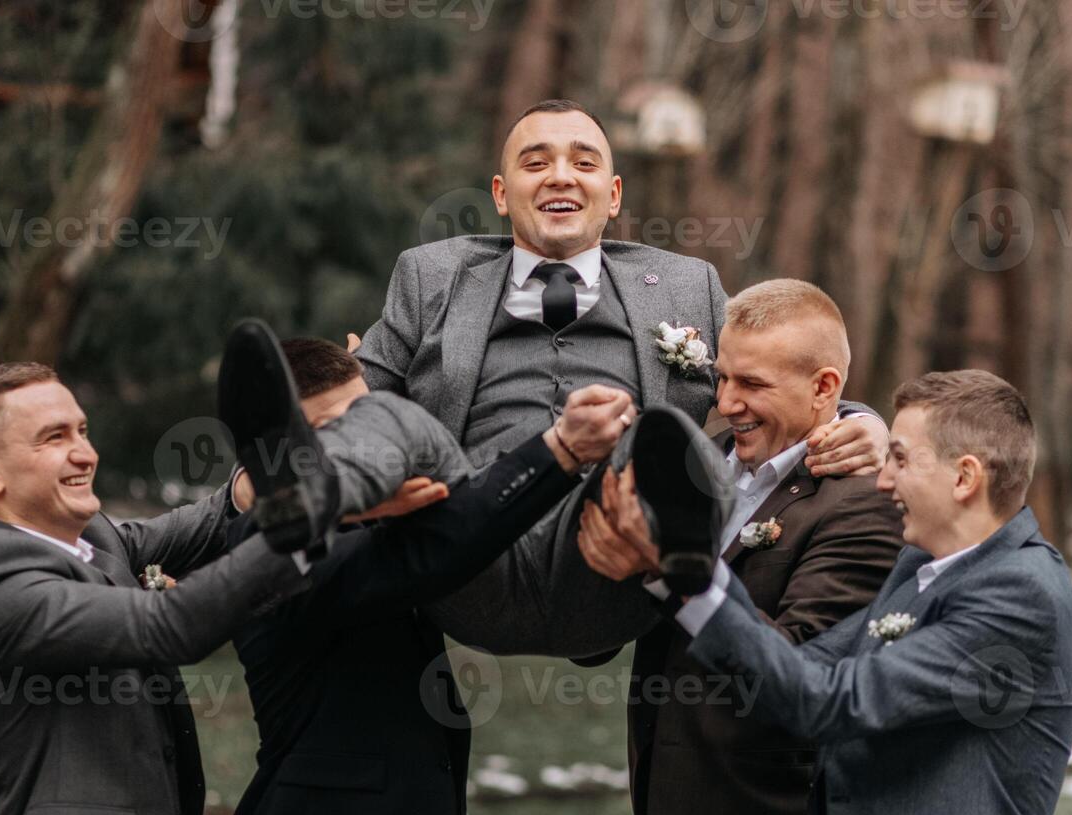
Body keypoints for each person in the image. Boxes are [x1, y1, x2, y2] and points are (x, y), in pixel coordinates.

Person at [350, 98, 889, 656]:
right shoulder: (431, 275)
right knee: (407, 433)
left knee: (658, 438)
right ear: (500, 195)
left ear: (613, 196)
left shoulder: (686, 286)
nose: (561, 176)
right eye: (536, 163)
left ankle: (684, 556)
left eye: (584, 163)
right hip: (464, 556)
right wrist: (259, 475)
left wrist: (861, 420)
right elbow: (352, 399)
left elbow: (780, 368)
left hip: (615, 573)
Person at [603, 369, 1072, 815]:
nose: (884, 480)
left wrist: (694, 577)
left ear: (964, 477)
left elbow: (826, 703)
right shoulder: (919, 567)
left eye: (900, 460)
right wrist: (675, 579)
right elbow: (802, 671)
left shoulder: (1019, 593)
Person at [208, 339, 631, 815]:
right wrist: (561, 450)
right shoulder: (272, 543)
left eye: (369, 416)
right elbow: (447, 544)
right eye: (334, 431)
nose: (366, 441)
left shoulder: (374, 517)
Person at [0, 360, 345, 815]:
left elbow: (190, 528)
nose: (84, 453)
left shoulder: (91, 537)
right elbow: (169, 626)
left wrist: (248, 489)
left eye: (82, 430)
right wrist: (294, 529)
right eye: (54, 438)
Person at [577, 280, 904, 815]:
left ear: (824, 388)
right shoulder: (699, 464)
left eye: (751, 384)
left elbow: (792, 676)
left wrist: (664, 572)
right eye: (722, 377)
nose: (726, 403)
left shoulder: (861, 507)